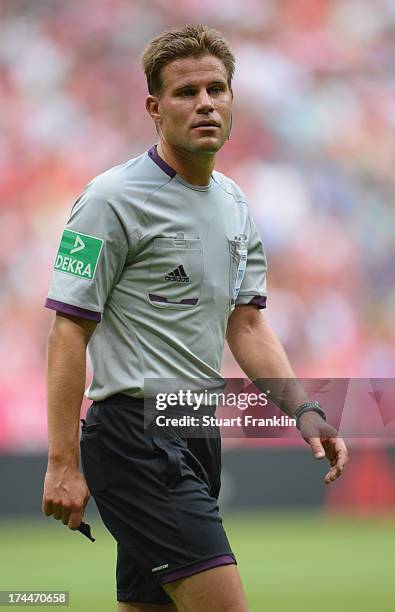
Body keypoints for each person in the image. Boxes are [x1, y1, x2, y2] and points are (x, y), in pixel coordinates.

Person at [42, 24, 348, 612]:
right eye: (186, 92)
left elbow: (249, 326)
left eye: (217, 88)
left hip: (196, 426)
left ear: (233, 98)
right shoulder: (108, 200)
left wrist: (305, 409)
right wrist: (61, 463)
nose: (205, 102)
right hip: (135, 436)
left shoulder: (235, 202)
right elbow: (67, 332)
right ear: (154, 108)